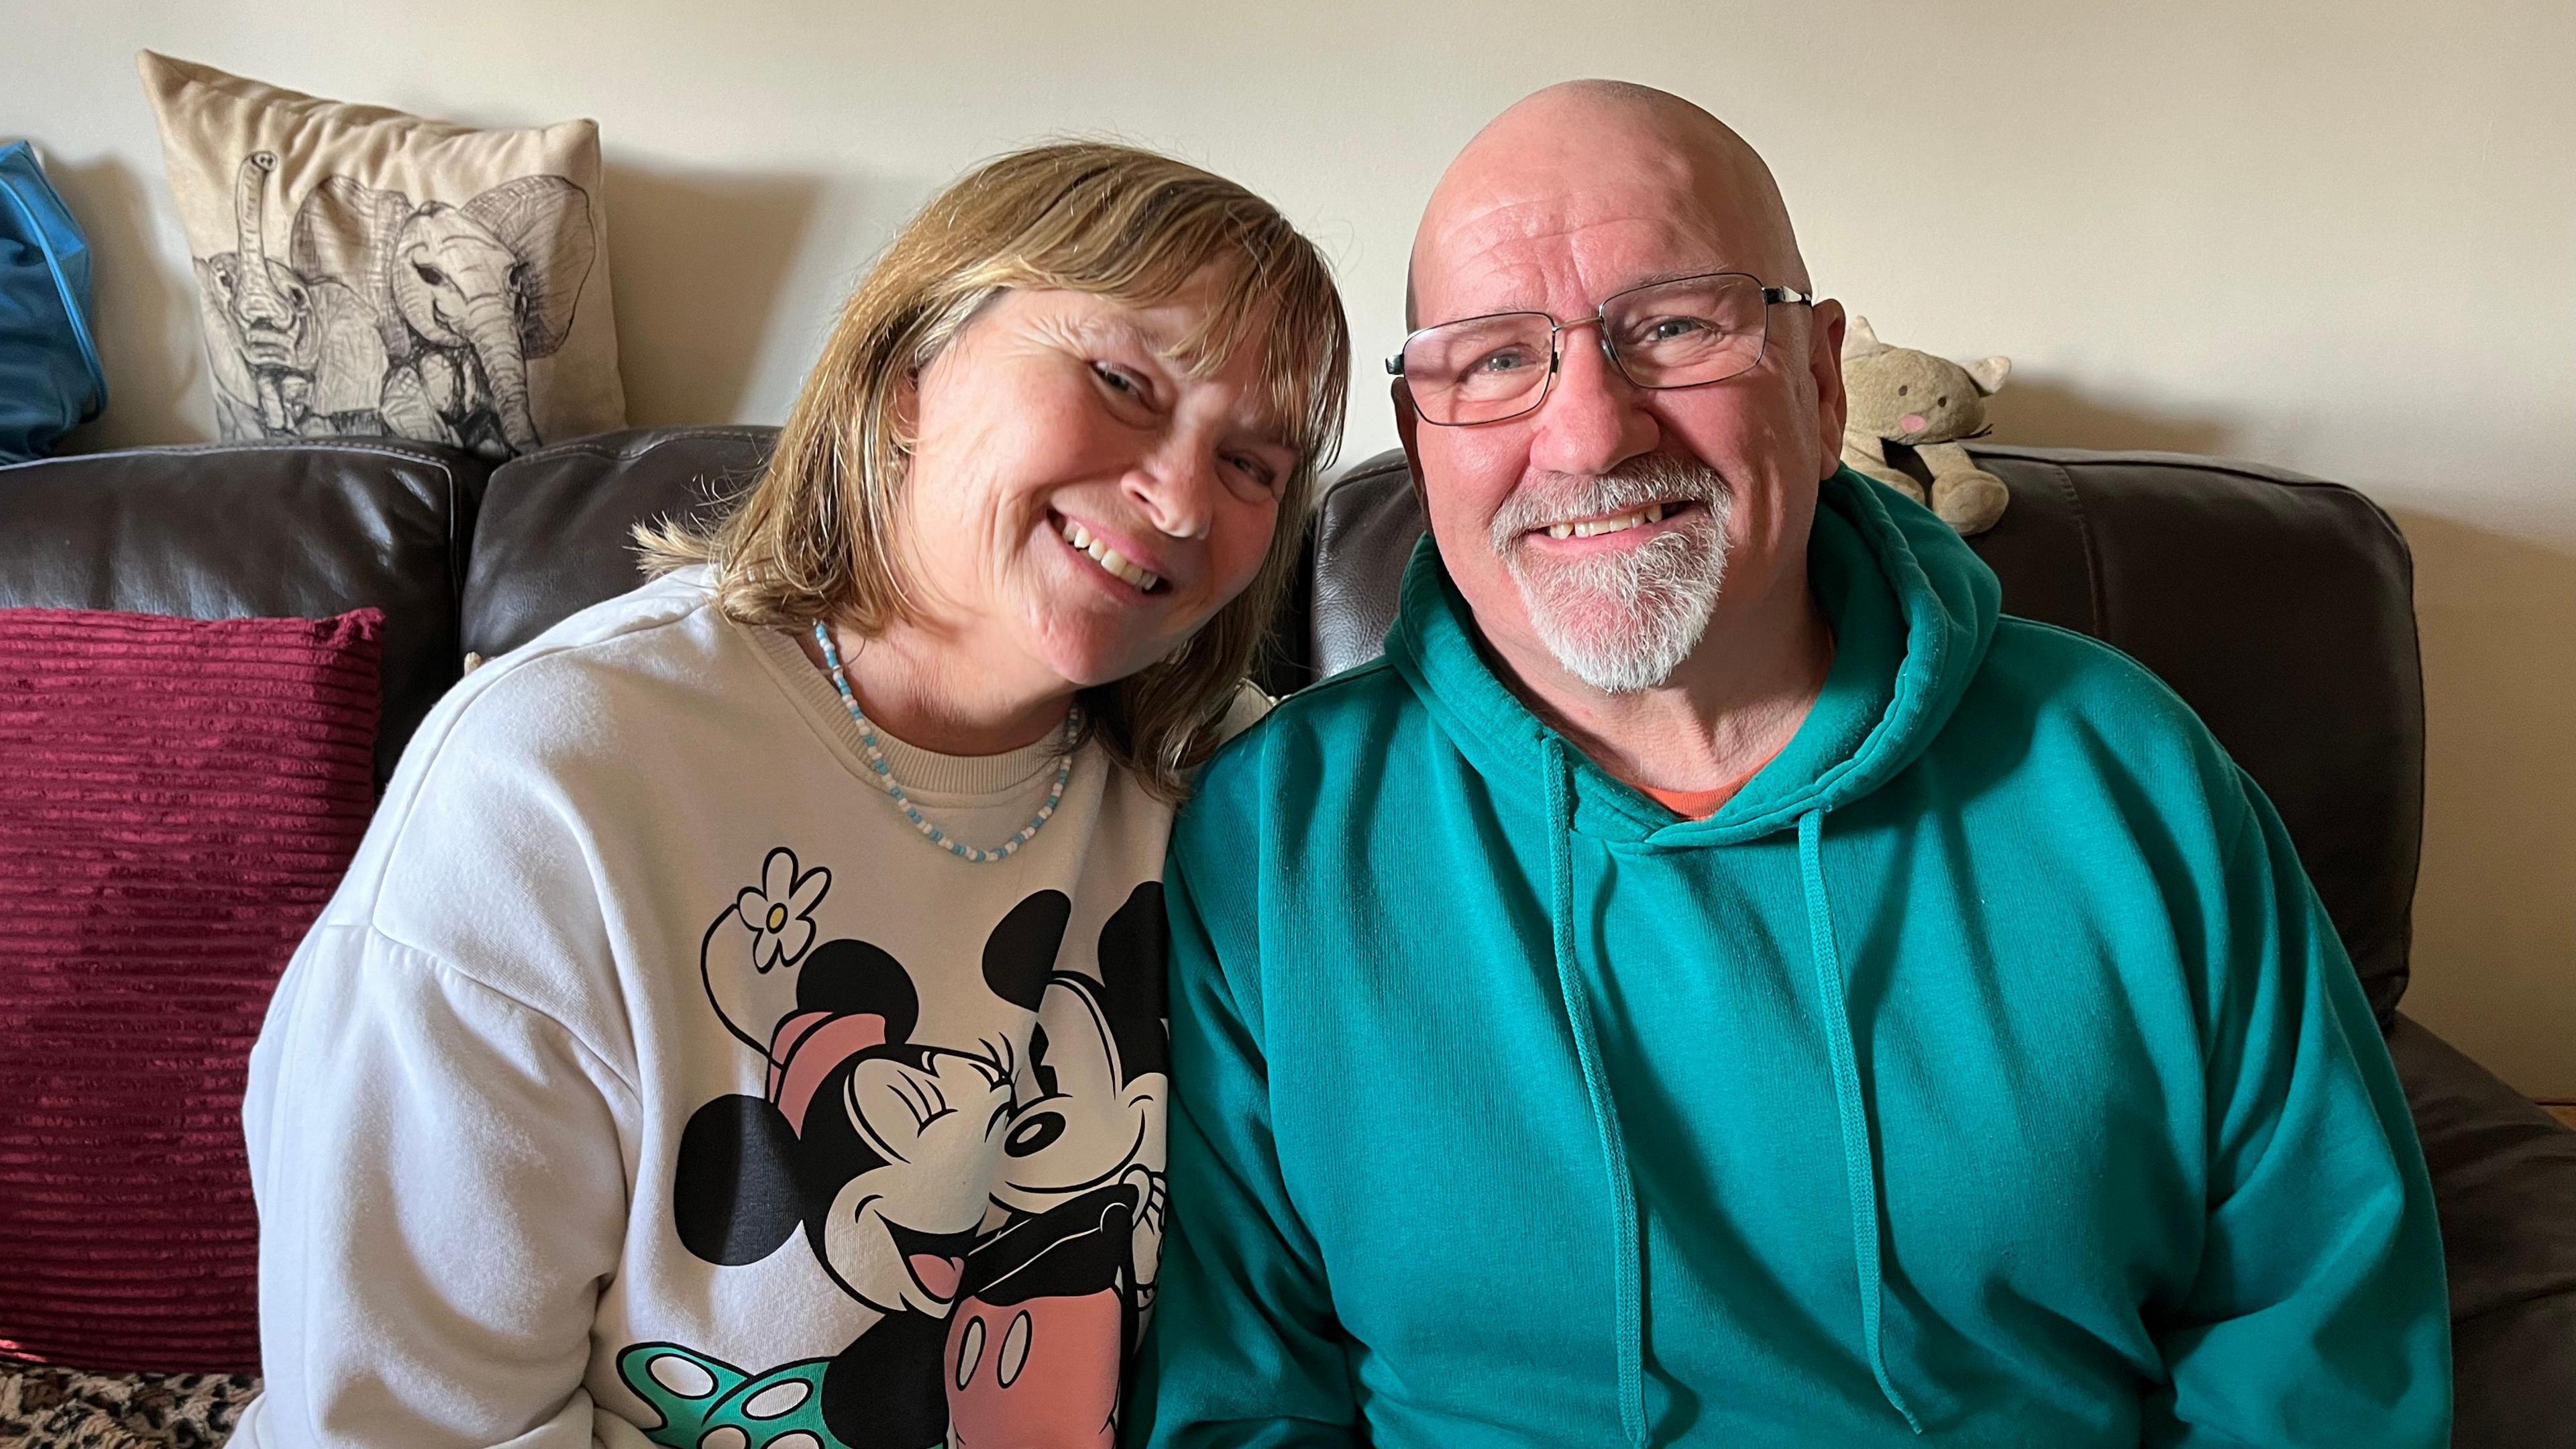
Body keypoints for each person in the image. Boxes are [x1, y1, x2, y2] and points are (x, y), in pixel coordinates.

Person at [1136, 82, 2447, 1447]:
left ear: (1819, 383)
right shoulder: (1272, 841)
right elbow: (1239, 1397)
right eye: (1494, 360)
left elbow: (2319, 1346)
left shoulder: (2129, 776)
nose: (1589, 434)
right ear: (1422, 438)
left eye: (1675, 327)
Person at [233, 142, 1348, 1449]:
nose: (1176, 495)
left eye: (1253, 465)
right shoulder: (551, 790)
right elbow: (405, 1426)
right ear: (908, 371)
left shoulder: (1229, 792)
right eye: (1121, 380)